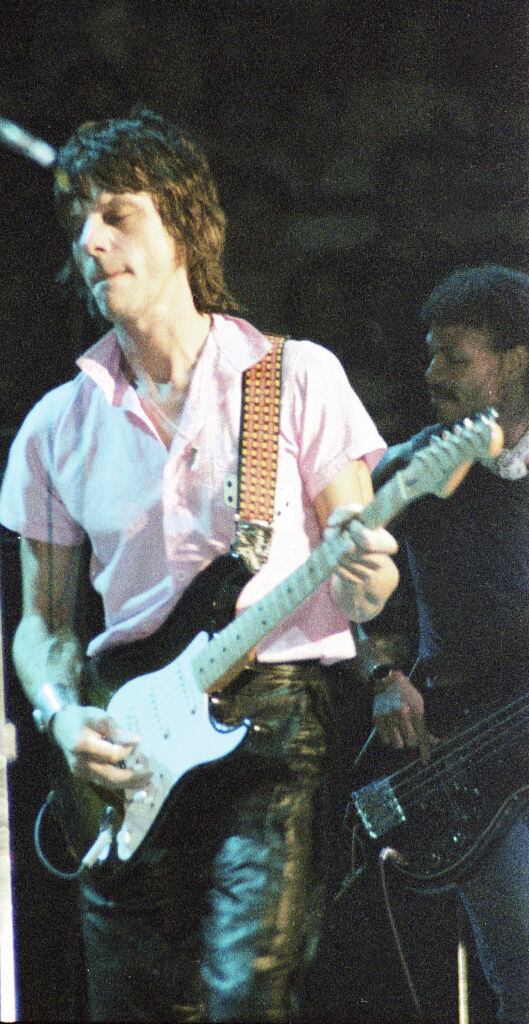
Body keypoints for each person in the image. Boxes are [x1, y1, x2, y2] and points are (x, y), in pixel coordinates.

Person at [0, 108, 399, 1022]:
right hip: (126, 747)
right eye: (79, 223)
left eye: (118, 215)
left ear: (184, 222)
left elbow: (364, 570)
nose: (91, 241)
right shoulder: (56, 425)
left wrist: (368, 577)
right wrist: (61, 719)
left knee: (243, 1000)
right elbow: (42, 628)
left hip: (269, 736)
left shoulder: (295, 378)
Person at [358, 264, 529, 1024]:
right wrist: (382, 674)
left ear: (515, 362)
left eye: (454, 359)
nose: (432, 374)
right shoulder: (408, 470)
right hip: (462, 753)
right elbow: (339, 593)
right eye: (430, 356)